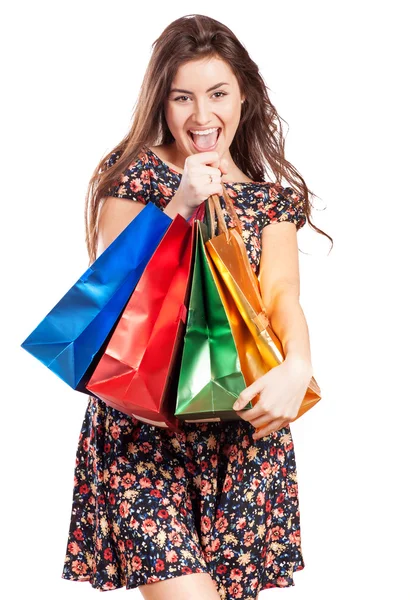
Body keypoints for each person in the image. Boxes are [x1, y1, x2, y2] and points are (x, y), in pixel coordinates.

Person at [61, 13, 331, 600]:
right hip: (143, 430)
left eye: (217, 94)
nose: (201, 116)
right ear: (162, 101)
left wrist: (299, 368)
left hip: (242, 431)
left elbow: (282, 295)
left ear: (244, 96)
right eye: (183, 97)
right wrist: (179, 204)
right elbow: (111, 290)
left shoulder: (269, 201)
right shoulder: (133, 177)